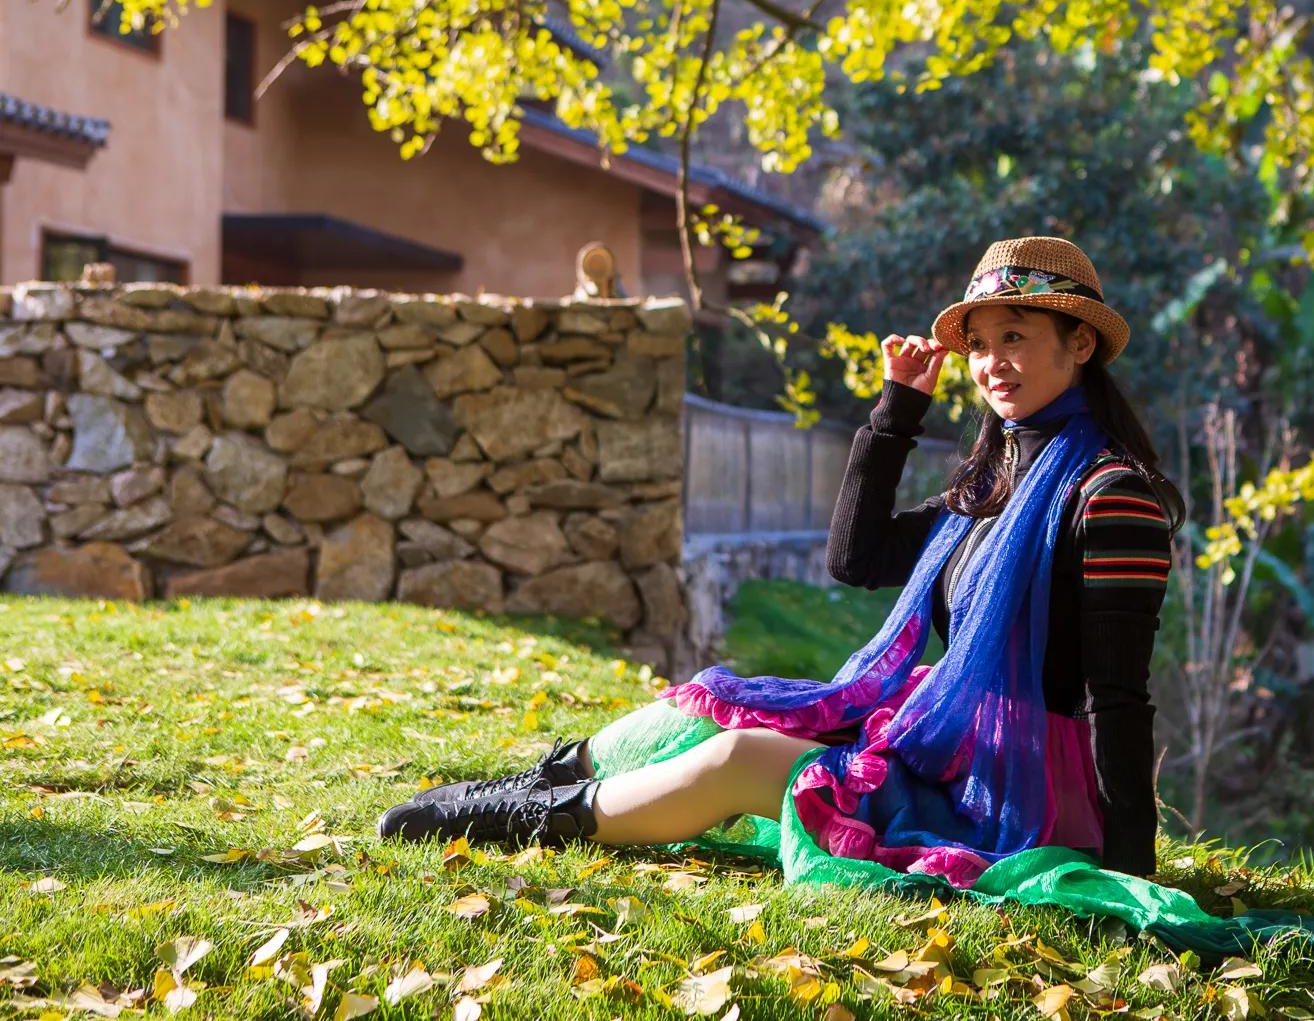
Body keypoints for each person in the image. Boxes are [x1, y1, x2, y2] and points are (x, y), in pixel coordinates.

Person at [378, 236, 1183, 884]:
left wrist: (1132, 872)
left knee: (740, 756)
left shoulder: (1110, 496)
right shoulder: (996, 484)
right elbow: (855, 558)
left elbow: (1118, 696)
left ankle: (527, 821)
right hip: (953, 745)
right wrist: (897, 410)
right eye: (980, 342)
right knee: (712, 703)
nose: (990, 361)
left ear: (1079, 343)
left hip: (1023, 791)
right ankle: (540, 783)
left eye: (1017, 336)